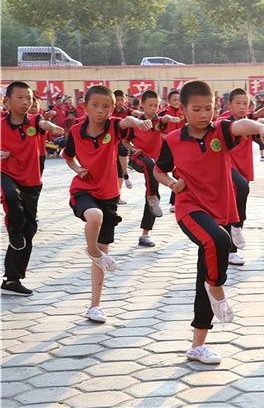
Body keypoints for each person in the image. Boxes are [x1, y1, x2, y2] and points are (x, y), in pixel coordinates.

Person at [154, 80, 264, 364]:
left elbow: (241, 125)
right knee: (218, 241)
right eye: (196, 109)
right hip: (190, 208)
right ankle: (218, 286)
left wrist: (262, 128)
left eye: (208, 108)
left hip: (217, 210)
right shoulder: (172, 140)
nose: (203, 114)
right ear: (182, 110)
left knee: (204, 276)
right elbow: (159, 170)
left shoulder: (220, 130)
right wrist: (172, 183)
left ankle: (198, 345)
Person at [63, 85, 152, 322]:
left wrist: (137, 122)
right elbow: (68, 155)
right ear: (85, 107)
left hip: (109, 195)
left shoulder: (113, 127)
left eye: (106, 106)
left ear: (112, 109)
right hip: (83, 190)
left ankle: (95, 305)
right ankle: (91, 250)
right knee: (94, 217)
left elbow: (127, 122)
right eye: (95, 105)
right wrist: (77, 168)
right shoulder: (75, 130)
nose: (100, 111)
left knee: (102, 252)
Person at [1, 82, 64, 296]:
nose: (25, 102)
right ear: (6, 102)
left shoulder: (34, 121)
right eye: (19, 97)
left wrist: (53, 127)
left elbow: (44, 124)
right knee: (11, 198)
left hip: (32, 182)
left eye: (28, 97)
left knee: (28, 230)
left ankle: (12, 280)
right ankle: (13, 229)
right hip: (7, 175)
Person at [221, 88, 264, 265]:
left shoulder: (250, 121)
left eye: (245, 103)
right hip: (225, 167)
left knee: (235, 205)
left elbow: (262, 121)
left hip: (242, 168)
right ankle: (234, 230)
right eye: (238, 103)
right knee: (241, 189)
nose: (242, 107)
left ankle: (232, 249)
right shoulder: (223, 122)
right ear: (229, 105)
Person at [124, 90, 175, 247]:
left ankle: (145, 234)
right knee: (151, 174)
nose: (154, 108)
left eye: (156, 105)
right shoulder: (136, 123)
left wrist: (170, 118)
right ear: (142, 105)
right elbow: (125, 142)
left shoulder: (159, 122)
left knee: (152, 189)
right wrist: (133, 149)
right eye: (150, 105)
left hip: (154, 162)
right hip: (138, 159)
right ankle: (152, 196)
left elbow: (164, 119)